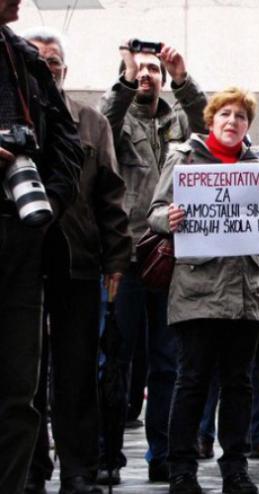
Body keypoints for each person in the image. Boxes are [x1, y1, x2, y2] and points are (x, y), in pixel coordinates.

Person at [148, 87, 259, 494]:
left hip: (247, 292)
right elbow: (154, 212)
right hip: (197, 288)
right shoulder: (184, 158)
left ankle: (235, 468)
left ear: (248, 125)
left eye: (241, 116)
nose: (233, 121)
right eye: (225, 114)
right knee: (192, 380)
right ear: (211, 120)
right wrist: (171, 218)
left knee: (240, 383)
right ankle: (182, 469)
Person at [22, 27, 130, 494]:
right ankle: (28, 468)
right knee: (24, 373)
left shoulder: (91, 123)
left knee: (77, 370)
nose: (47, 64)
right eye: (37, 57)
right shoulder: (11, 116)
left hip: (79, 261)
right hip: (20, 262)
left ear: (64, 70)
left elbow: (111, 195)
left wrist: (117, 259)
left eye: (55, 60)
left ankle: (78, 469)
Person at [98, 38, 207, 485]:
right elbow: (103, 123)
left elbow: (208, 121)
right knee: (117, 358)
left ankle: (161, 453)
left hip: (171, 258)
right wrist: (125, 77)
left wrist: (181, 76)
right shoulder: (117, 119)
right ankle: (107, 456)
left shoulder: (178, 119)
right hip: (124, 255)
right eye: (138, 70)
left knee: (167, 362)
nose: (146, 75)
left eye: (153, 70)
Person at [0, 2, 83, 492]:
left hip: (21, 236)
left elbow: (68, 143)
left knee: (17, 391)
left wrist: (46, 203)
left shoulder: (26, 58)